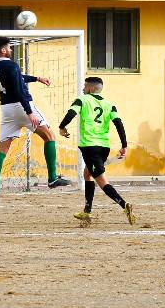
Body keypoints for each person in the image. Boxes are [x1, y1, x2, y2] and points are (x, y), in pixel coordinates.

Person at [0, 36, 70, 207]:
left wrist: (37, 78)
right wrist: (29, 111)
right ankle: (52, 178)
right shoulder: (11, 65)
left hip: (7, 110)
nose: (11, 50)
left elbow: (17, 78)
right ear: (3, 50)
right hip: (21, 106)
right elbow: (18, 88)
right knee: (50, 136)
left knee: (3, 148)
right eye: (9, 48)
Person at [58, 76, 136, 227]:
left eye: (85, 86)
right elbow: (119, 124)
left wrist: (62, 127)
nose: (83, 89)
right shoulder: (109, 104)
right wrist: (124, 144)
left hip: (90, 146)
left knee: (101, 180)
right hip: (103, 147)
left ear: (92, 88)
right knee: (87, 173)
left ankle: (124, 205)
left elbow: (71, 113)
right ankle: (87, 211)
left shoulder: (82, 100)